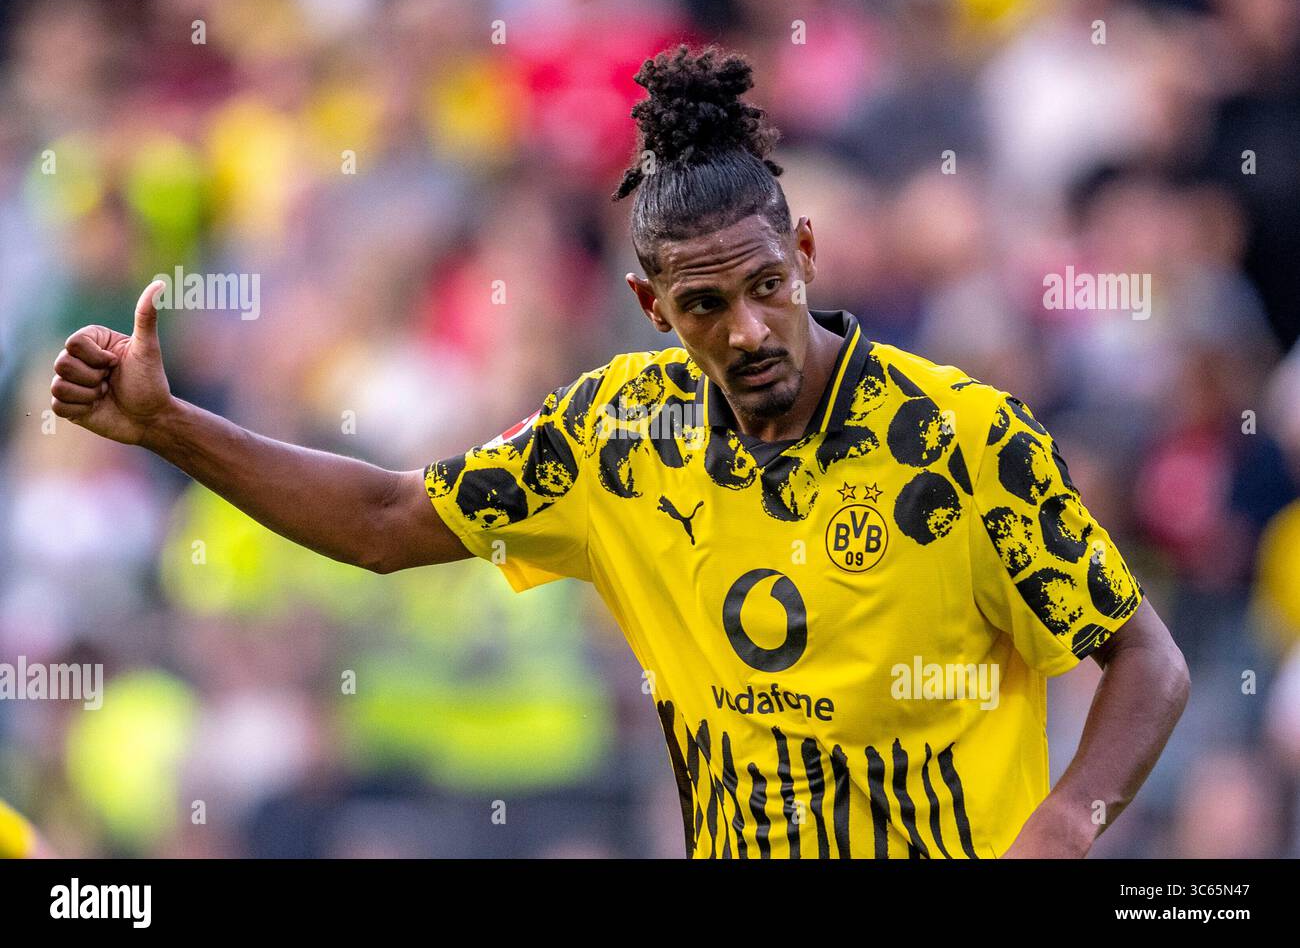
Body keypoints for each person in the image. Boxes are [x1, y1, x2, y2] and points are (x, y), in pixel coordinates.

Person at [48, 44, 1188, 858]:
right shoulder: (615, 436)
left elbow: (1147, 659)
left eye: (766, 285)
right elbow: (388, 520)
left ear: (804, 252)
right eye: (703, 306)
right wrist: (167, 425)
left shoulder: (964, 440)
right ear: (651, 306)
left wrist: (1064, 820)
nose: (747, 330)